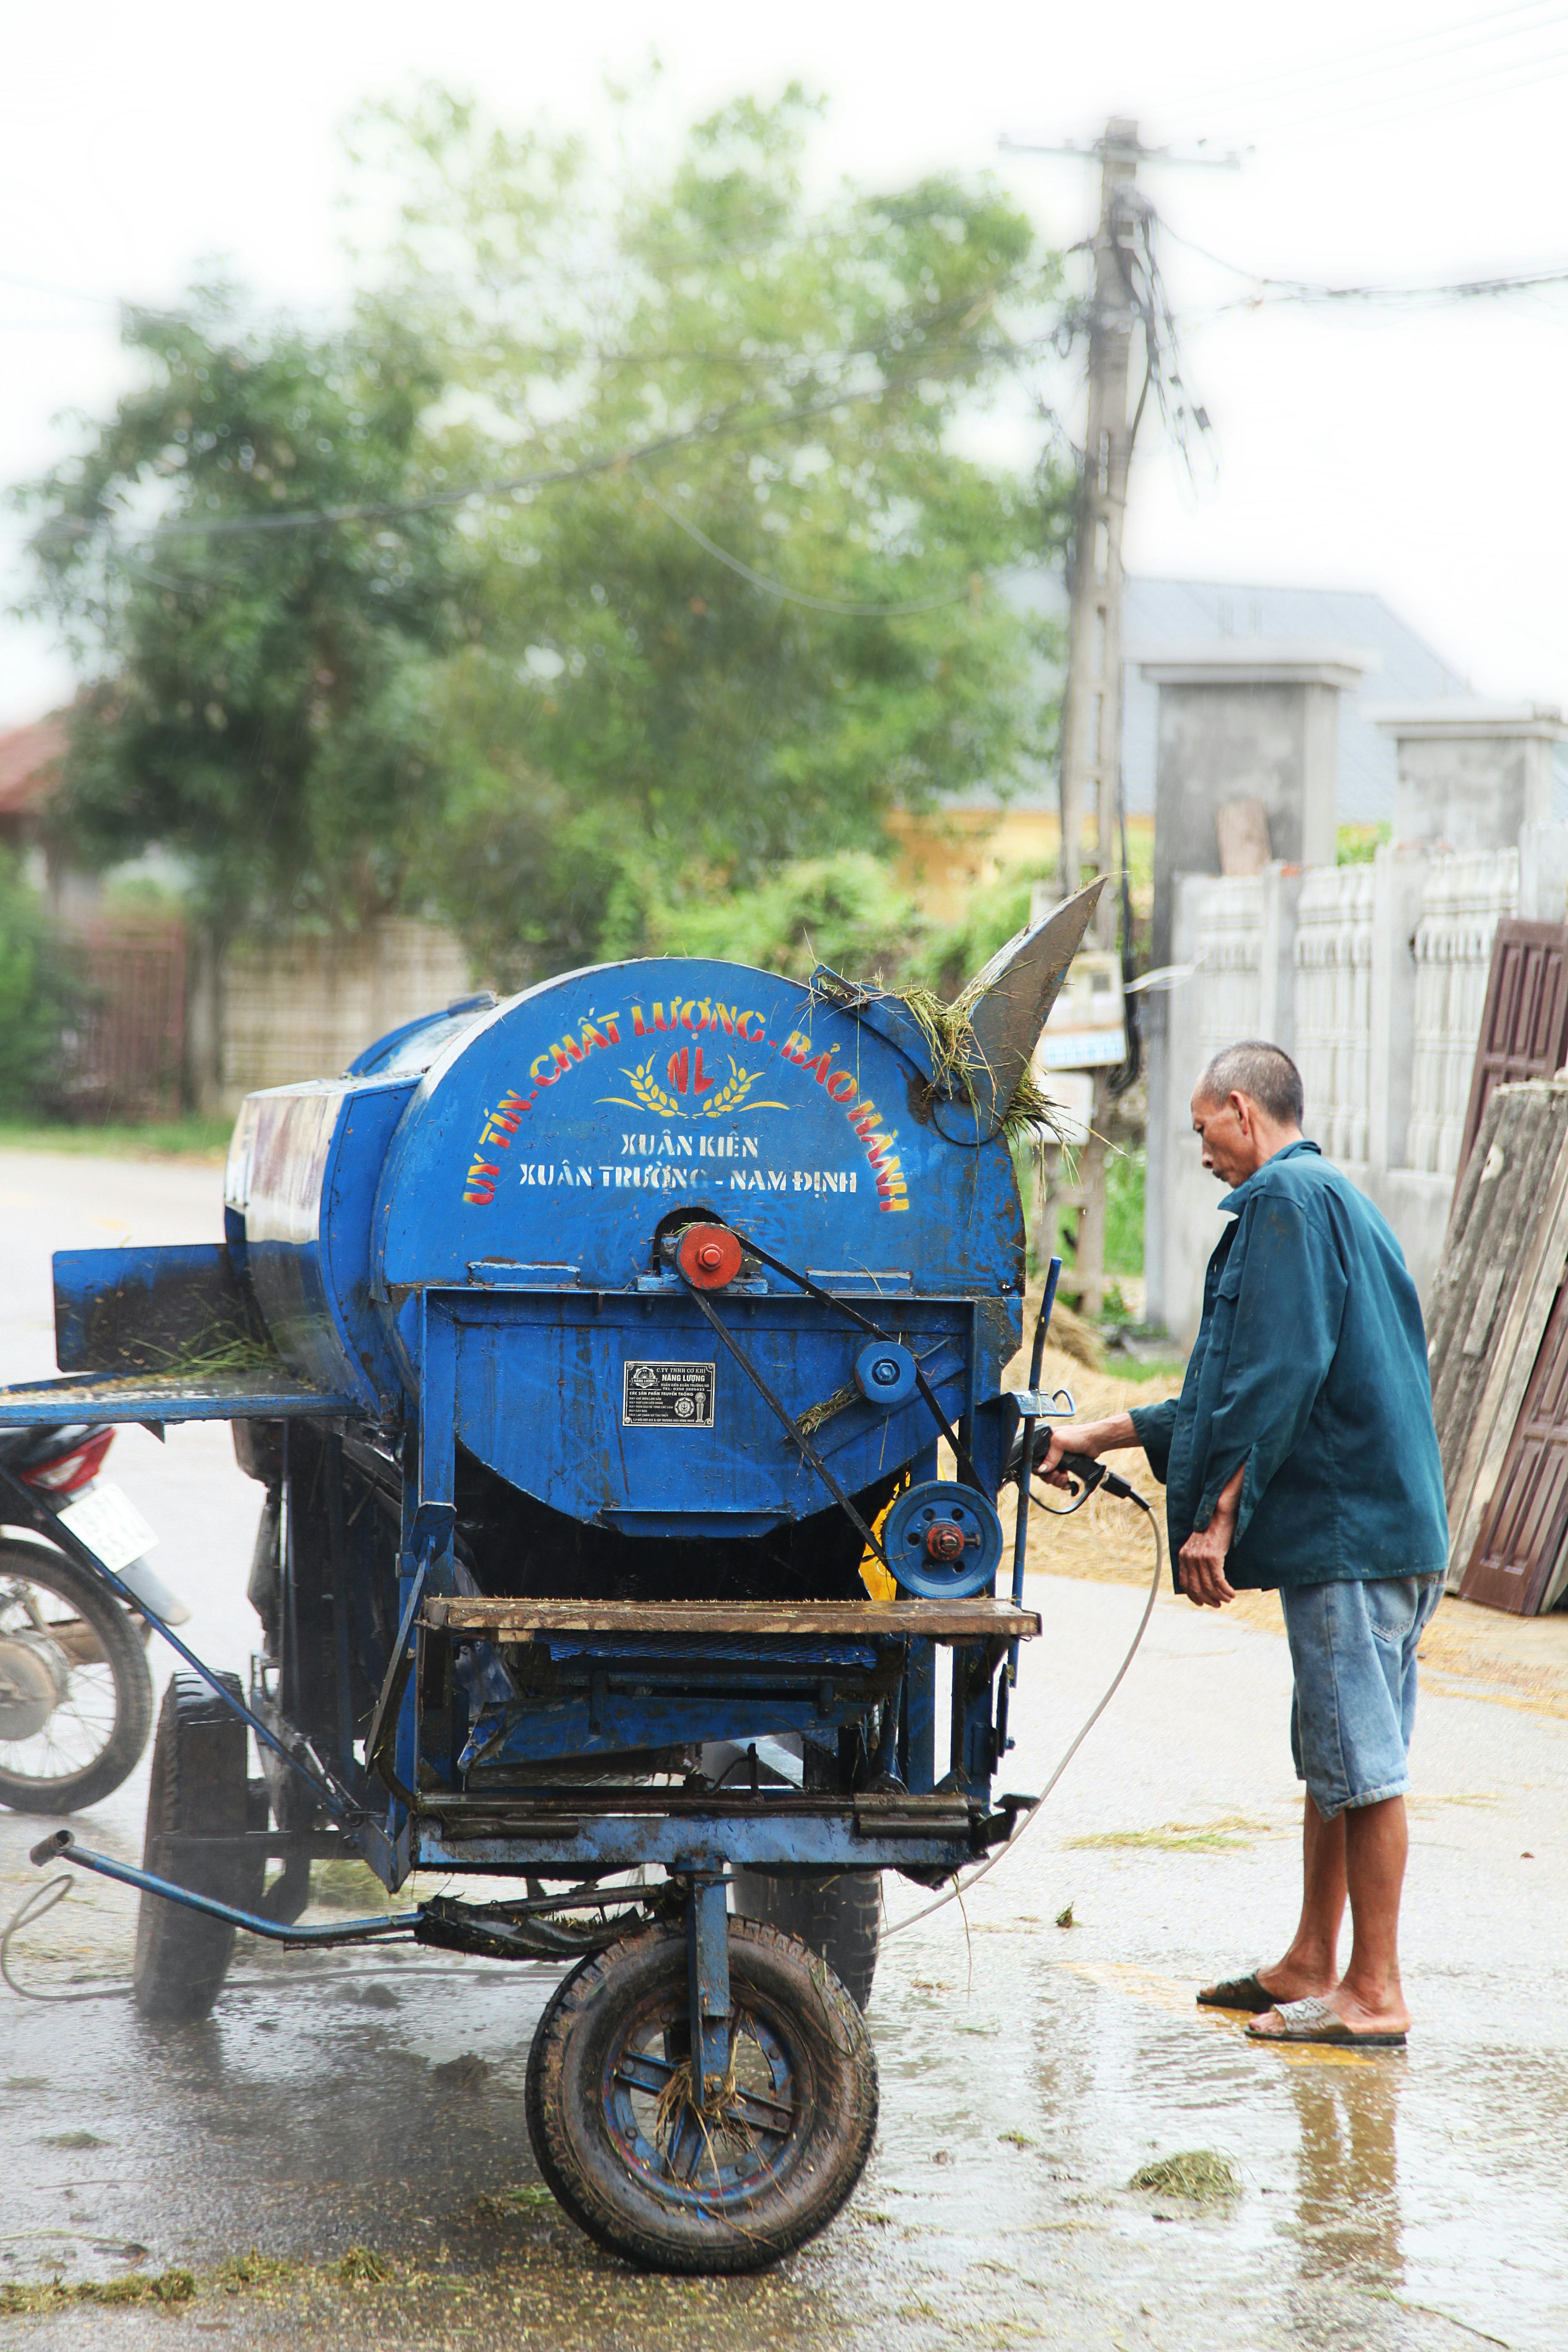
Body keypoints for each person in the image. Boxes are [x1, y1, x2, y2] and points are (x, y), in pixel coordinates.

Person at [1043, 1041, 1449, 2048]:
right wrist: (1094, 1434)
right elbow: (1226, 1391)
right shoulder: (1328, 1200)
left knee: (1364, 1762)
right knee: (1336, 1754)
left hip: (1348, 1534)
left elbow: (1277, 1376)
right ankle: (1316, 1959)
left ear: (1240, 1109)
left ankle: (1377, 1991)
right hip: (1381, 1526)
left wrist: (1219, 1514)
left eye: (1201, 1131)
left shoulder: (1285, 1204)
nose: (1202, 1152)